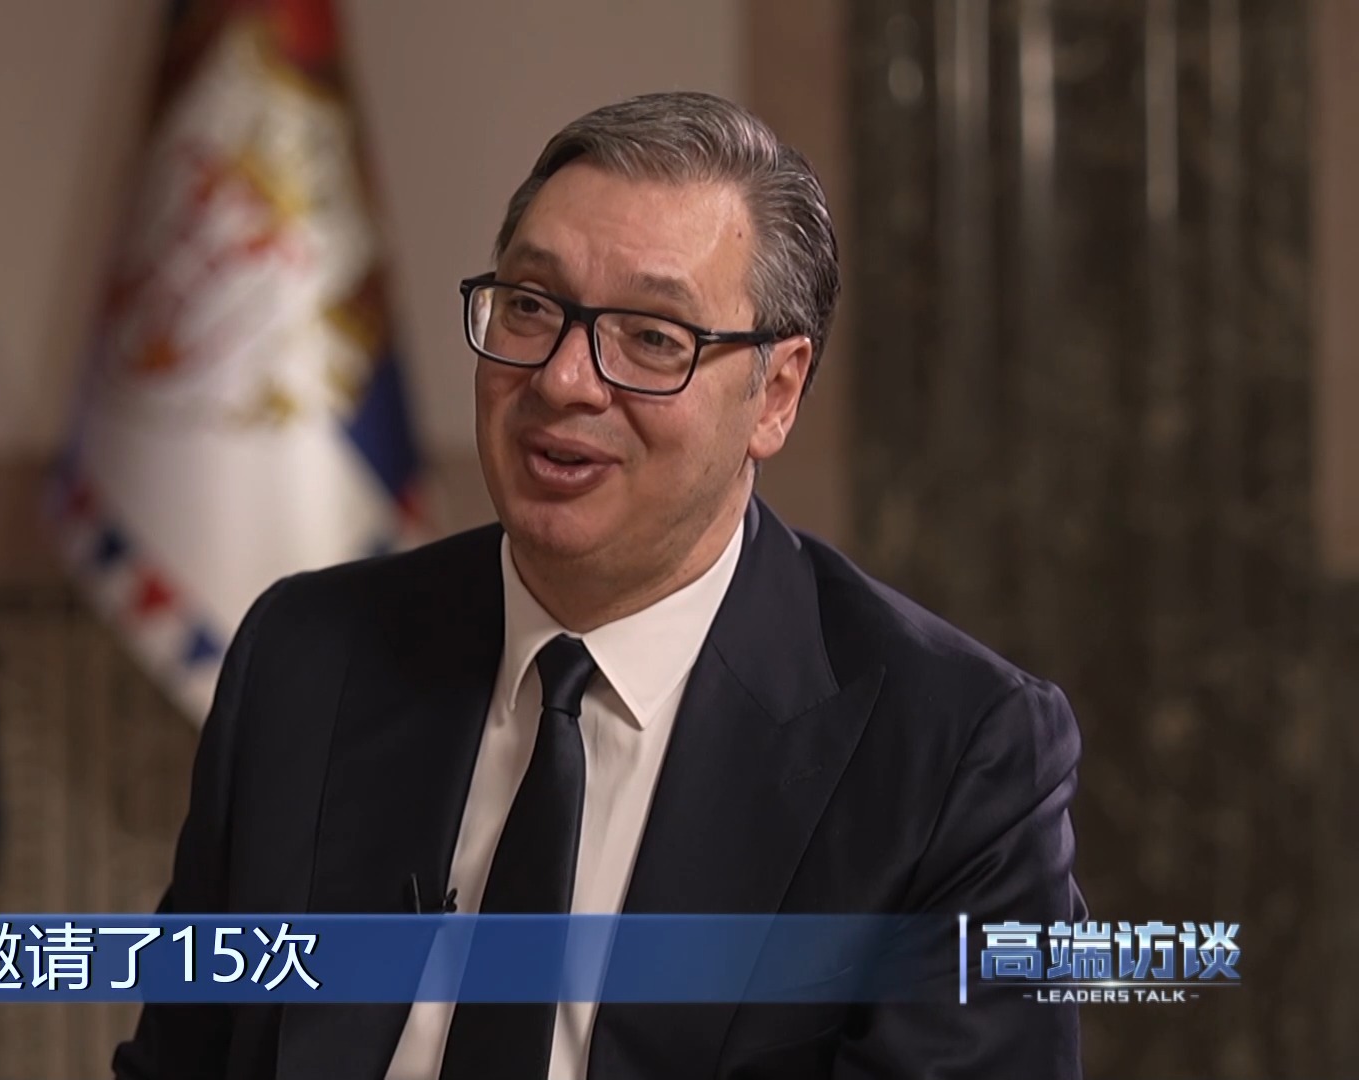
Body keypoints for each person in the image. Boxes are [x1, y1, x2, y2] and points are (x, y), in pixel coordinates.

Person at [113, 91, 1086, 1080]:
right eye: (531, 307)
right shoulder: (308, 656)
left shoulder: (953, 754)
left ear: (776, 394)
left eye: (652, 337)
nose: (564, 380)